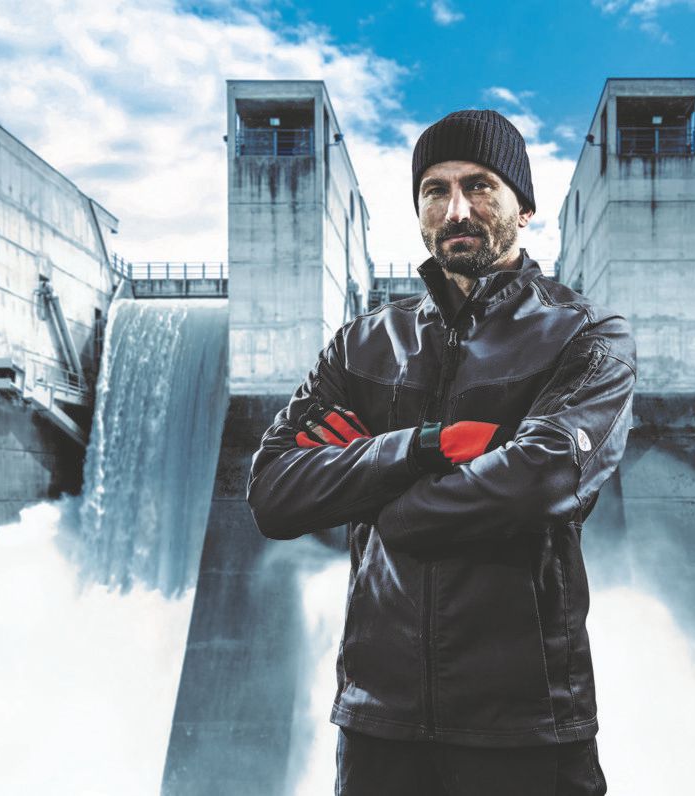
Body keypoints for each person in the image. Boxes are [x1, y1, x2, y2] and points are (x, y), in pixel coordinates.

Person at [247, 109, 635, 795]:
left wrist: (380, 499)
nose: (456, 209)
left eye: (480, 186)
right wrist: (423, 448)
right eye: (435, 189)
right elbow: (275, 493)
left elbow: (540, 480)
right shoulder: (362, 345)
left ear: (524, 206)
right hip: (378, 724)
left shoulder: (583, 335)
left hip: (526, 724)